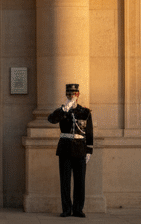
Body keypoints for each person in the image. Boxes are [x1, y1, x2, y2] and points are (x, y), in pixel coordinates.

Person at [48, 83, 93, 218]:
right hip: (65, 149)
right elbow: (51, 119)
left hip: (80, 149)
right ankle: (67, 209)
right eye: (69, 94)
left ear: (78, 95)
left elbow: (89, 132)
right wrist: (63, 110)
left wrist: (89, 150)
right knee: (65, 181)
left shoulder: (85, 112)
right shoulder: (63, 111)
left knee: (80, 181)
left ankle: (78, 209)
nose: (71, 96)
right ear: (66, 95)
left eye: (73, 94)